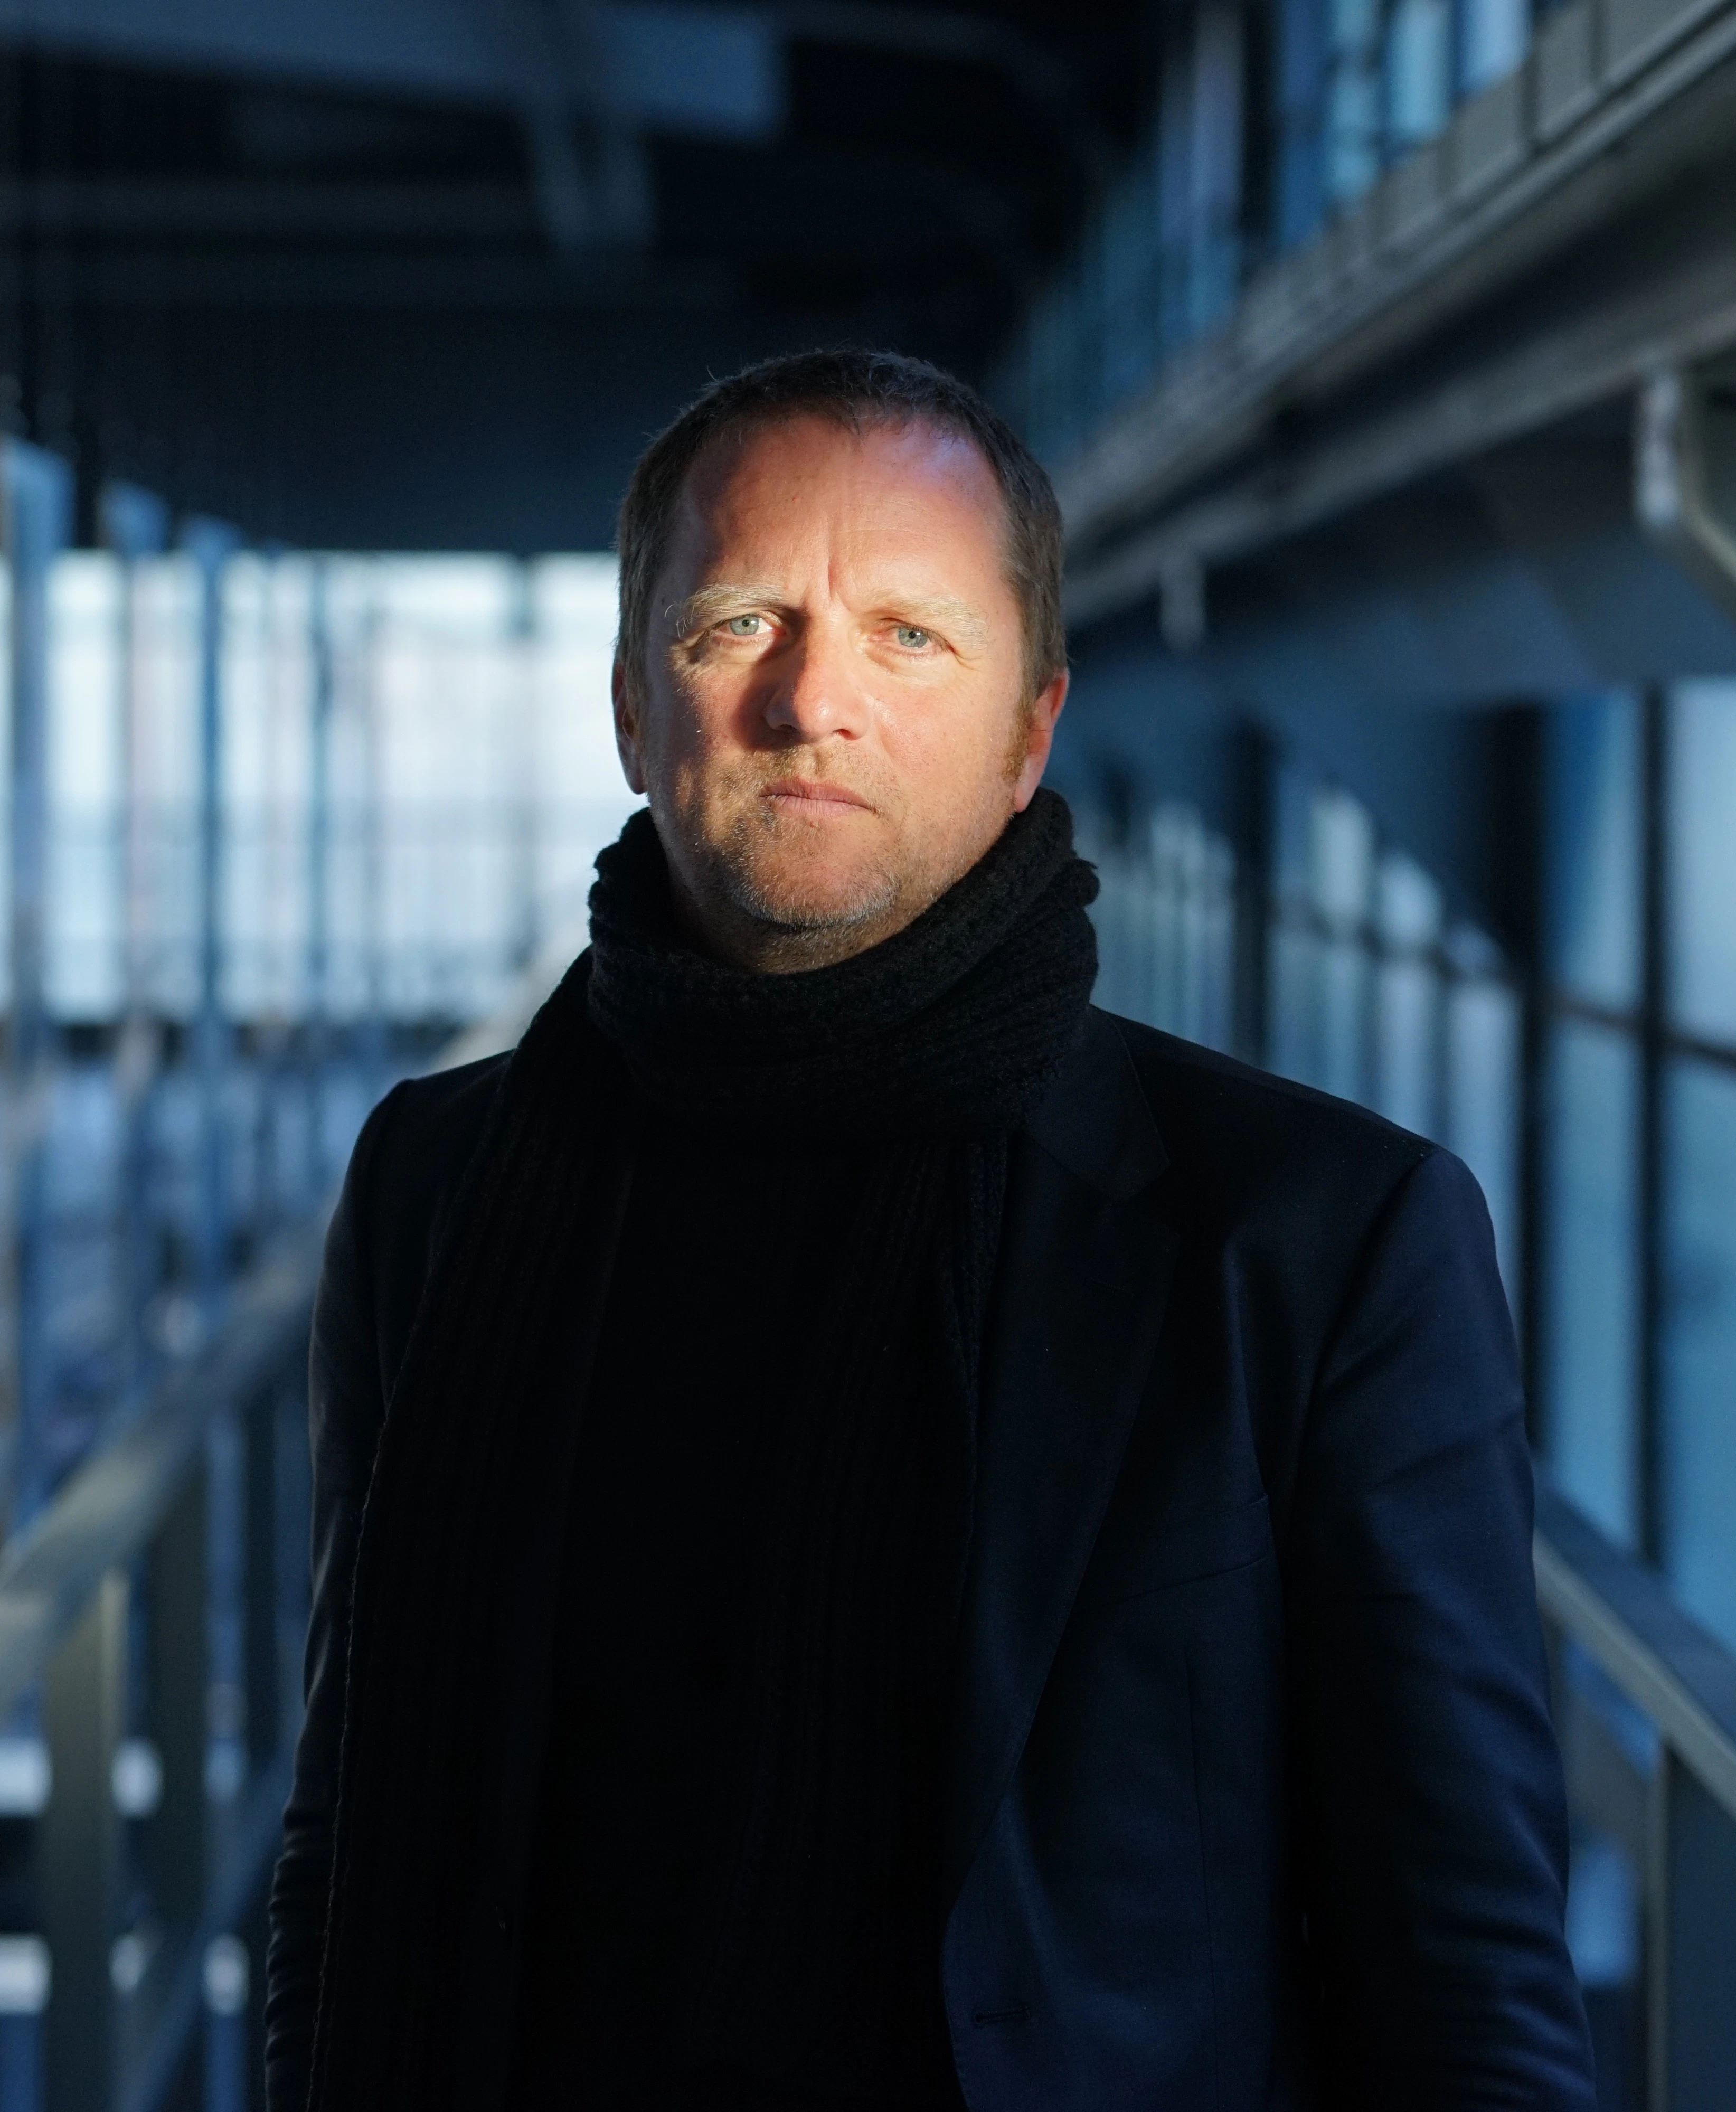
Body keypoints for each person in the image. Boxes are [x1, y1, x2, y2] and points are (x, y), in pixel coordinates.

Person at [265, 348, 1596, 2111]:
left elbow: (1465, 1981)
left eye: (908, 635)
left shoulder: (1316, 1240)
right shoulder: (435, 1184)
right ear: (632, 707)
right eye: (739, 624)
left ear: (1030, 730)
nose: (813, 699)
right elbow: (345, 1821)